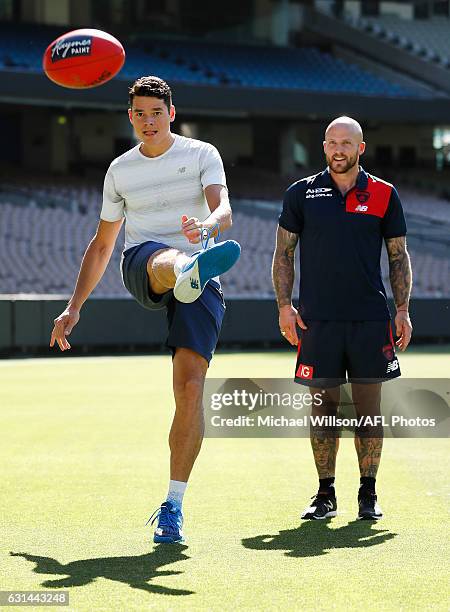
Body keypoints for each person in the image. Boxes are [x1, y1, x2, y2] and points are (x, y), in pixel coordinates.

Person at [50, 76, 240, 543]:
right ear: (130, 116)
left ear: (171, 113)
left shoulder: (201, 154)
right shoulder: (120, 170)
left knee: (190, 389)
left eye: (156, 113)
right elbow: (101, 246)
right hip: (144, 266)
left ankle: (173, 505)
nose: (148, 121)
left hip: (202, 275)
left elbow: (224, 212)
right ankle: (185, 268)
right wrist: (74, 307)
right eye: (140, 113)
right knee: (166, 260)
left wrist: (207, 224)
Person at [272, 116, 412, 520]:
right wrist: (284, 305)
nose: (338, 150)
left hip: (370, 321)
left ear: (361, 148)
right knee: (323, 410)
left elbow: (398, 256)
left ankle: (368, 493)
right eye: (332, 142)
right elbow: (284, 254)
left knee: (369, 411)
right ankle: (324, 494)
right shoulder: (301, 193)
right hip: (317, 322)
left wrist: (402, 310)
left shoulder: (384, 194)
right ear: (323, 147)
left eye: (346, 143)